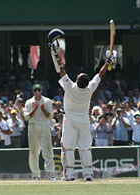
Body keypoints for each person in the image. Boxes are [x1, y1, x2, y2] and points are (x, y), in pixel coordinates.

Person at [48, 28, 117, 181]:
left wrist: (55, 54)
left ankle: (70, 174)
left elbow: (61, 69)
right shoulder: (89, 88)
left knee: (69, 147)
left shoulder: (70, 86)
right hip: (84, 119)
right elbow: (100, 74)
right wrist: (107, 62)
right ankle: (88, 175)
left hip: (71, 119)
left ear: (77, 81)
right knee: (85, 147)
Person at [24, 83, 56, 180]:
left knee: (47, 150)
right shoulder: (29, 102)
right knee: (34, 151)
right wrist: (35, 109)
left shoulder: (47, 101)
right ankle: (35, 175)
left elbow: (50, 116)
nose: (37, 92)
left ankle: (50, 174)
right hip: (33, 127)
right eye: (35, 90)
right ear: (33, 92)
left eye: (39, 90)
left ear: (41, 91)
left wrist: (42, 109)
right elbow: (26, 117)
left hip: (44, 126)